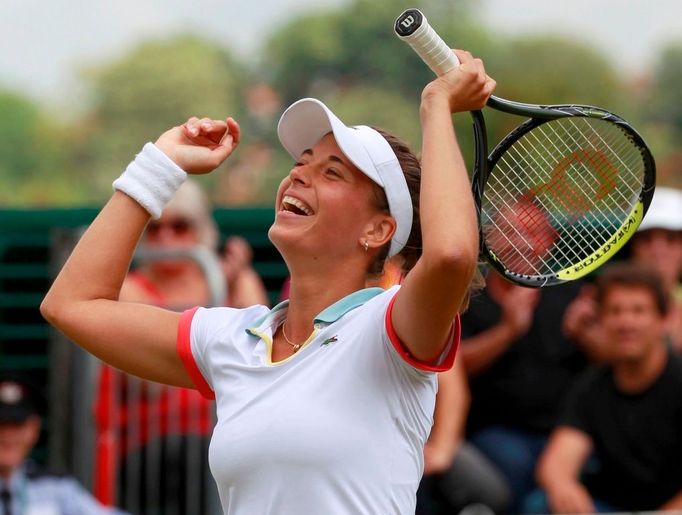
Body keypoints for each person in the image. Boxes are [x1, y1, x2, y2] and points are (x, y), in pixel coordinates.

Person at [40, 49, 495, 514]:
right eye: (302, 161)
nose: (298, 174)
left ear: (377, 230)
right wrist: (161, 164)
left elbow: (451, 255)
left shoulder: (388, 325)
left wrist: (437, 106)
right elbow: (72, 305)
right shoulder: (231, 339)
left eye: (331, 172)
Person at [95, 179, 267, 513]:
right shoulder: (130, 288)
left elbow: (258, 362)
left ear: (201, 229)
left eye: (180, 226)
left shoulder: (233, 278)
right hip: (151, 448)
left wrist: (229, 286)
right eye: (155, 228)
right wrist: (223, 304)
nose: (167, 239)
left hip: (230, 437)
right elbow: (149, 380)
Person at [531, 263, 682, 513]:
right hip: (607, 507)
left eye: (638, 310)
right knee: (540, 504)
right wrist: (563, 487)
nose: (626, 322)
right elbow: (557, 461)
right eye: (615, 311)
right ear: (601, 320)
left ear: (663, 320)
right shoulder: (591, 386)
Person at [459, 269, 593, 512]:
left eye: (532, 233)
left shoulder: (573, 294)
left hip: (563, 432)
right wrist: (508, 331)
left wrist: (586, 333)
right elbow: (451, 367)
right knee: (515, 462)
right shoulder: (471, 293)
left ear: (549, 239)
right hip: (493, 429)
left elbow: (609, 359)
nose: (521, 243)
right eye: (511, 232)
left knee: (545, 500)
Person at [563, 186, 682, 358]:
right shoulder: (596, 300)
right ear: (632, 245)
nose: (658, 250)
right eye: (646, 239)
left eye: (671, 239)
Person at [0, 374, 129, 514]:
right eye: (1, 424)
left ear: (34, 429)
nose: (8, 434)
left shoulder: (56, 487)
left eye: (17, 425)